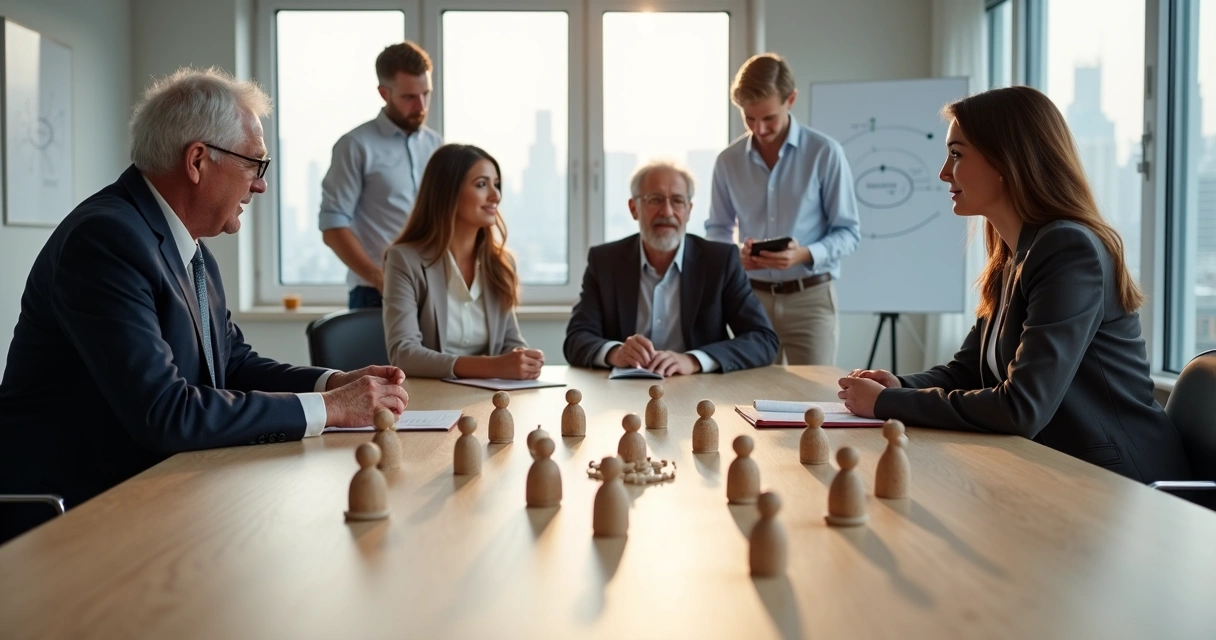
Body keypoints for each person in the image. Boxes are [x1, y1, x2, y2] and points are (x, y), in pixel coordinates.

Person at [0, 68, 410, 543]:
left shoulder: (190, 248)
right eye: (255, 164)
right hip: (73, 514)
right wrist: (330, 408)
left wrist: (335, 382)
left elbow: (230, 363)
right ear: (197, 161)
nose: (260, 185)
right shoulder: (105, 241)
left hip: (158, 491)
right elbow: (165, 411)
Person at [837, 86, 1190, 483]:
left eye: (956, 154)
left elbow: (1022, 407)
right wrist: (899, 384)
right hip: (1054, 468)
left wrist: (889, 402)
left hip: (1119, 482)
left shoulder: (1067, 249)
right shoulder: (1012, 255)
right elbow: (969, 371)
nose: (943, 172)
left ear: (1007, 160)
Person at [706, 53, 860, 366]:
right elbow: (717, 229)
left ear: (791, 99)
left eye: (768, 118)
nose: (759, 129)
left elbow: (848, 232)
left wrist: (802, 254)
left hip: (811, 299)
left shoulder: (825, 153)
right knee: (753, 401)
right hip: (750, 299)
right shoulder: (727, 161)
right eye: (749, 118)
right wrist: (736, 255)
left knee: (815, 401)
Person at [564, 160, 779, 376]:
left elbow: (763, 340)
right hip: (624, 391)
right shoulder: (605, 261)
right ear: (633, 208)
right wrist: (615, 353)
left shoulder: (720, 261)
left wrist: (694, 360)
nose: (666, 212)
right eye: (655, 200)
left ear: (688, 210)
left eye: (677, 201)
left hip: (700, 392)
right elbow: (576, 338)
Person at [382, 144, 543, 379]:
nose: (495, 195)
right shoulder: (405, 260)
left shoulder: (500, 263)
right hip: (430, 401)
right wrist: (494, 366)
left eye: (496, 184)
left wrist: (524, 361)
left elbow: (511, 342)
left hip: (490, 399)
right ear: (448, 192)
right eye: (481, 184)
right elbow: (404, 353)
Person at [320, 41, 443, 309]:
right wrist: (381, 279)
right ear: (384, 93)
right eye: (409, 97)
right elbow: (333, 227)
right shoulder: (355, 145)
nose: (421, 105)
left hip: (432, 291)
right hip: (374, 294)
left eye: (426, 93)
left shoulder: (437, 146)